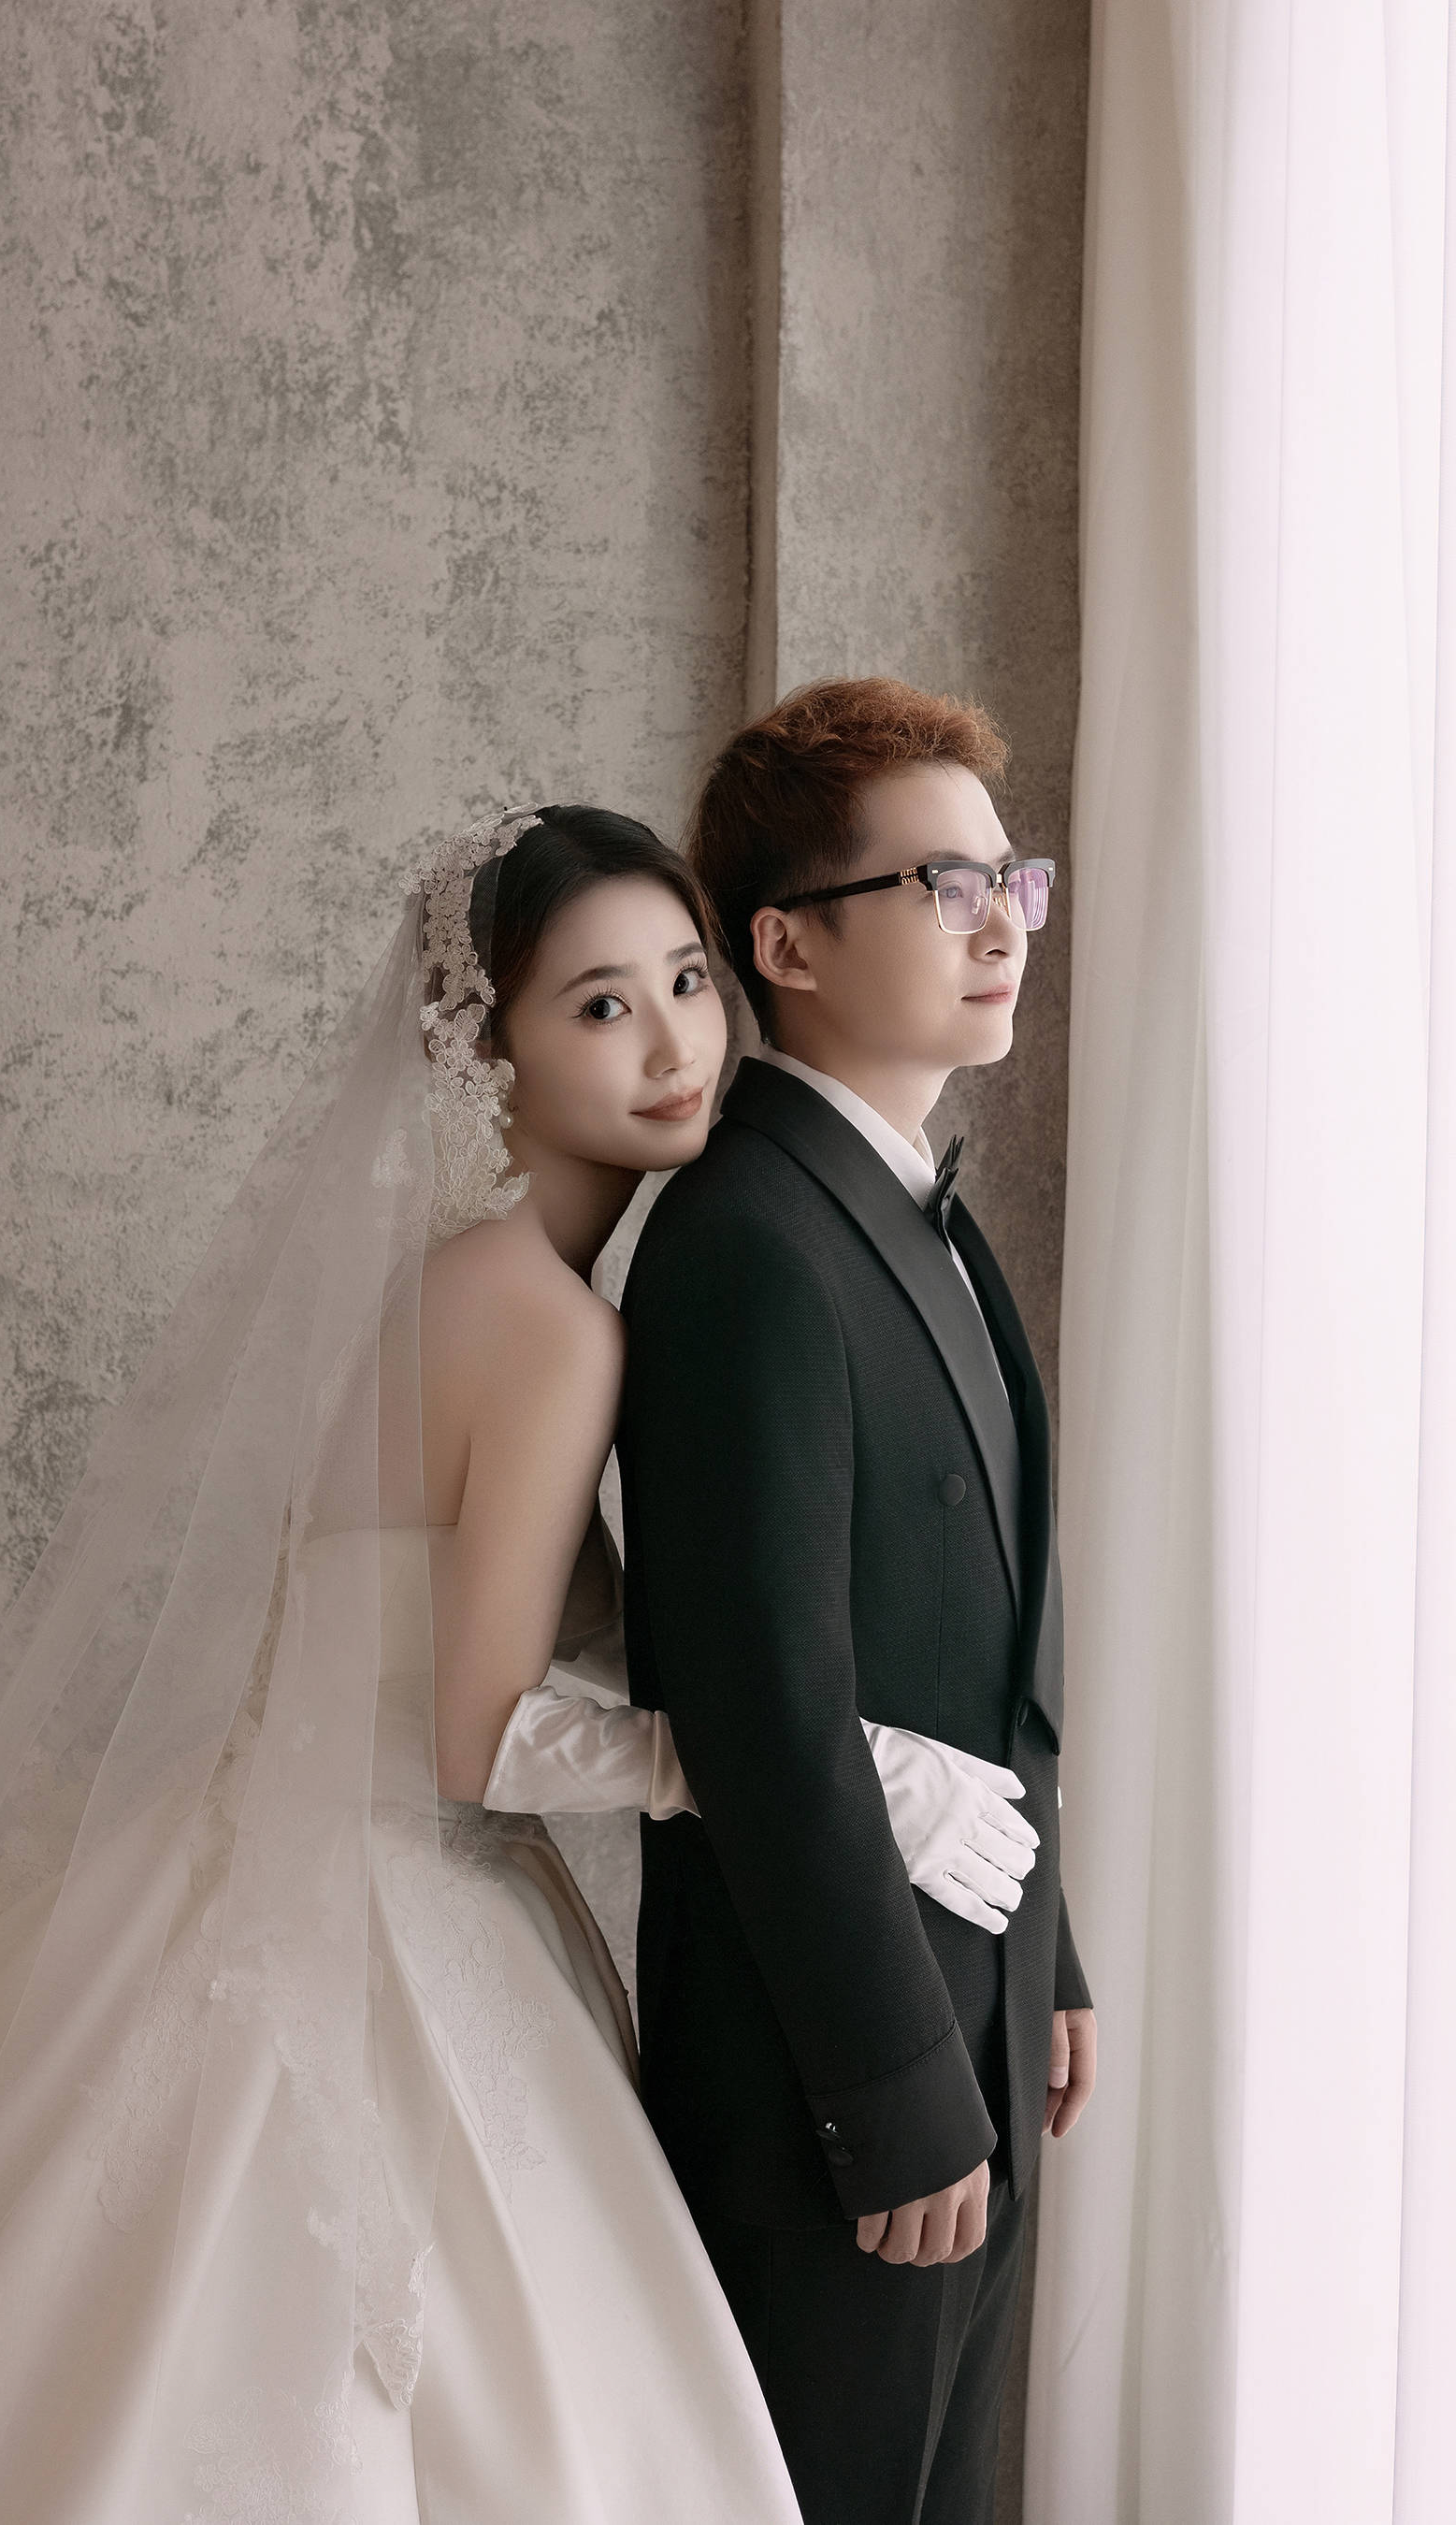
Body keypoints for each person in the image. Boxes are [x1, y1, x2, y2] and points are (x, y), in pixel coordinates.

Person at [0, 801, 1037, 2525]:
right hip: (387, 1884)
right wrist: (814, 1768)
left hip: (287, 1857)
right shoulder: (549, 1325)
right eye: (600, 1006)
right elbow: (474, 1737)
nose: (674, 1043)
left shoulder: (488, 1279)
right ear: (485, 1045)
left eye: (686, 979)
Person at [616, 681, 1098, 2525]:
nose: (1002, 924)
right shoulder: (747, 1243)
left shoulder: (913, 1214)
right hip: (835, 2068)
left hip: (977, 2011)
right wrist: (888, 2083)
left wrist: (1049, 1955)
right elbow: (762, 1714)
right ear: (789, 945)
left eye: (1011, 879)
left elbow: (982, 1656)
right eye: (944, 885)